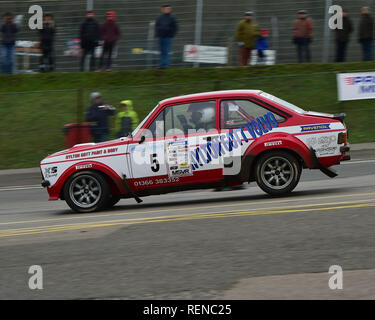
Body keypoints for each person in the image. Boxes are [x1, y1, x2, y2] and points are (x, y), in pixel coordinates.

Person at [155, 4, 178, 69]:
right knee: (162, 51)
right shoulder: (159, 17)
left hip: (168, 37)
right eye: (165, 8)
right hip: (160, 37)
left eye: (168, 8)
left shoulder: (172, 17)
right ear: (162, 9)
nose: (167, 10)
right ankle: (162, 65)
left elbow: (175, 27)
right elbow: (157, 25)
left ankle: (165, 65)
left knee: (166, 51)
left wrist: (171, 35)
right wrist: (157, 34)